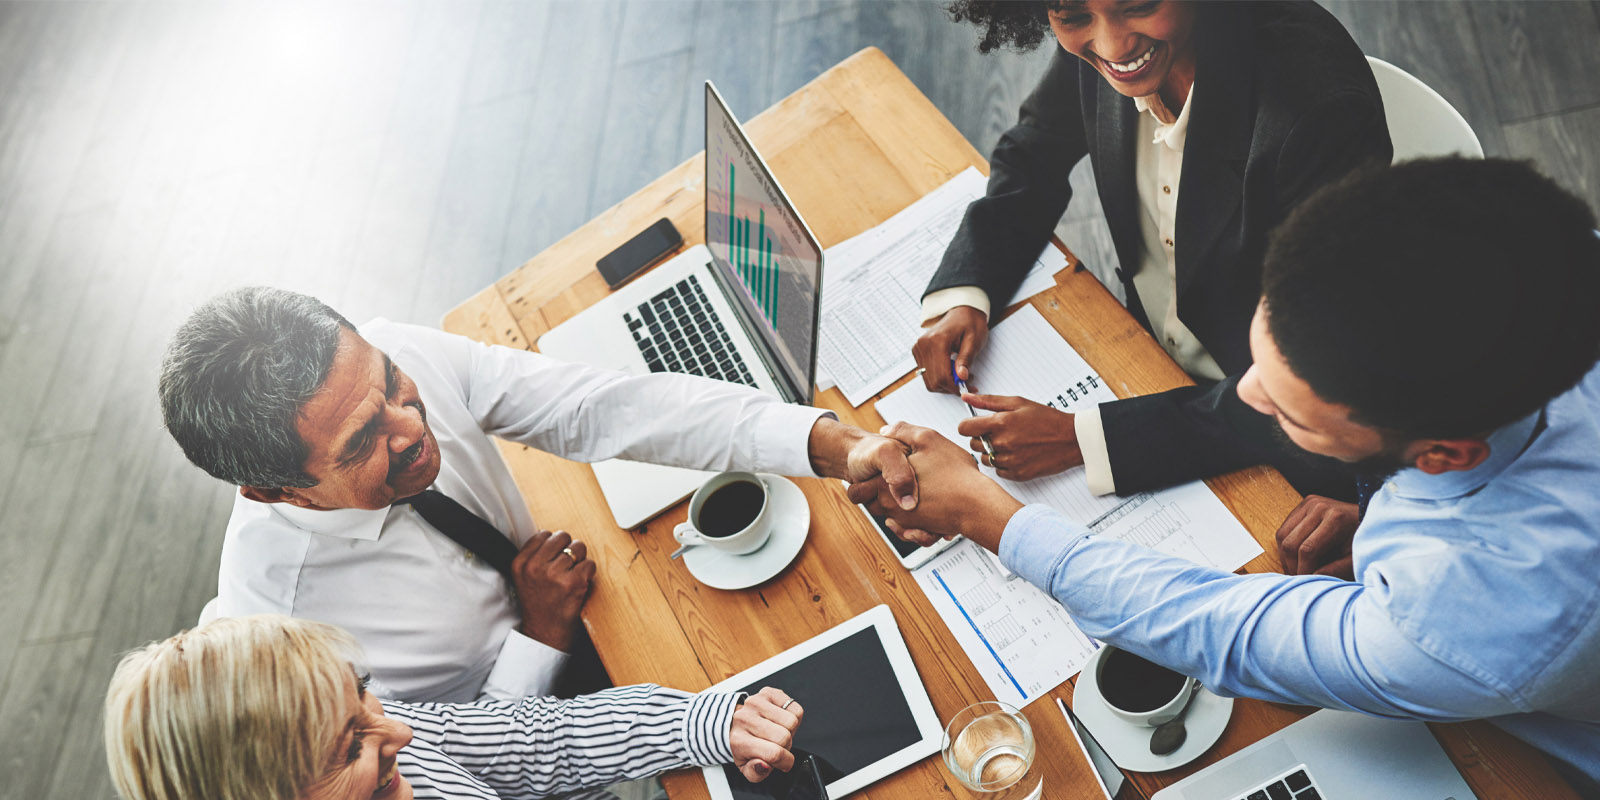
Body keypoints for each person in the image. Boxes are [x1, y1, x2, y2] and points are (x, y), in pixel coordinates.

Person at [858, 159, 1600, 787]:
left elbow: (1228, 632)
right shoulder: (1551, 274)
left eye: (1295, 414)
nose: (1244, 395)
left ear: (1441, 456)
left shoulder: (1473, 616)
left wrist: (987, 515)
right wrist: (1391, 504)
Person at [159, 287, 920, 703]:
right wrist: (541, 635)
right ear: (271, 490)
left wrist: (833, 445)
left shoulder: (392, 358)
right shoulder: (291, 640)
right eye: (363, 442)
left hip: (617, 619)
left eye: (392, 382)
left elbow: (600, 409)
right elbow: (457, 781)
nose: (413, 425)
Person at [912, 0, 1390, 499]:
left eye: (1138, 6)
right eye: (1073, 19)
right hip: (1147, 360)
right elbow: (1033, 152)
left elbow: (1315, 362)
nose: (1113, 46)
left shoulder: (1319, 111)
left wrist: (1084, 440)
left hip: (1281, 436)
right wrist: (965, 291)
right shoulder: (1103, 35)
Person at [103, 614, 805, 800]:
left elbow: (540, 740)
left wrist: (707, 720)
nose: (399, 731)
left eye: (365, 698)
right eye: (351, 747)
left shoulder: (389, 742)